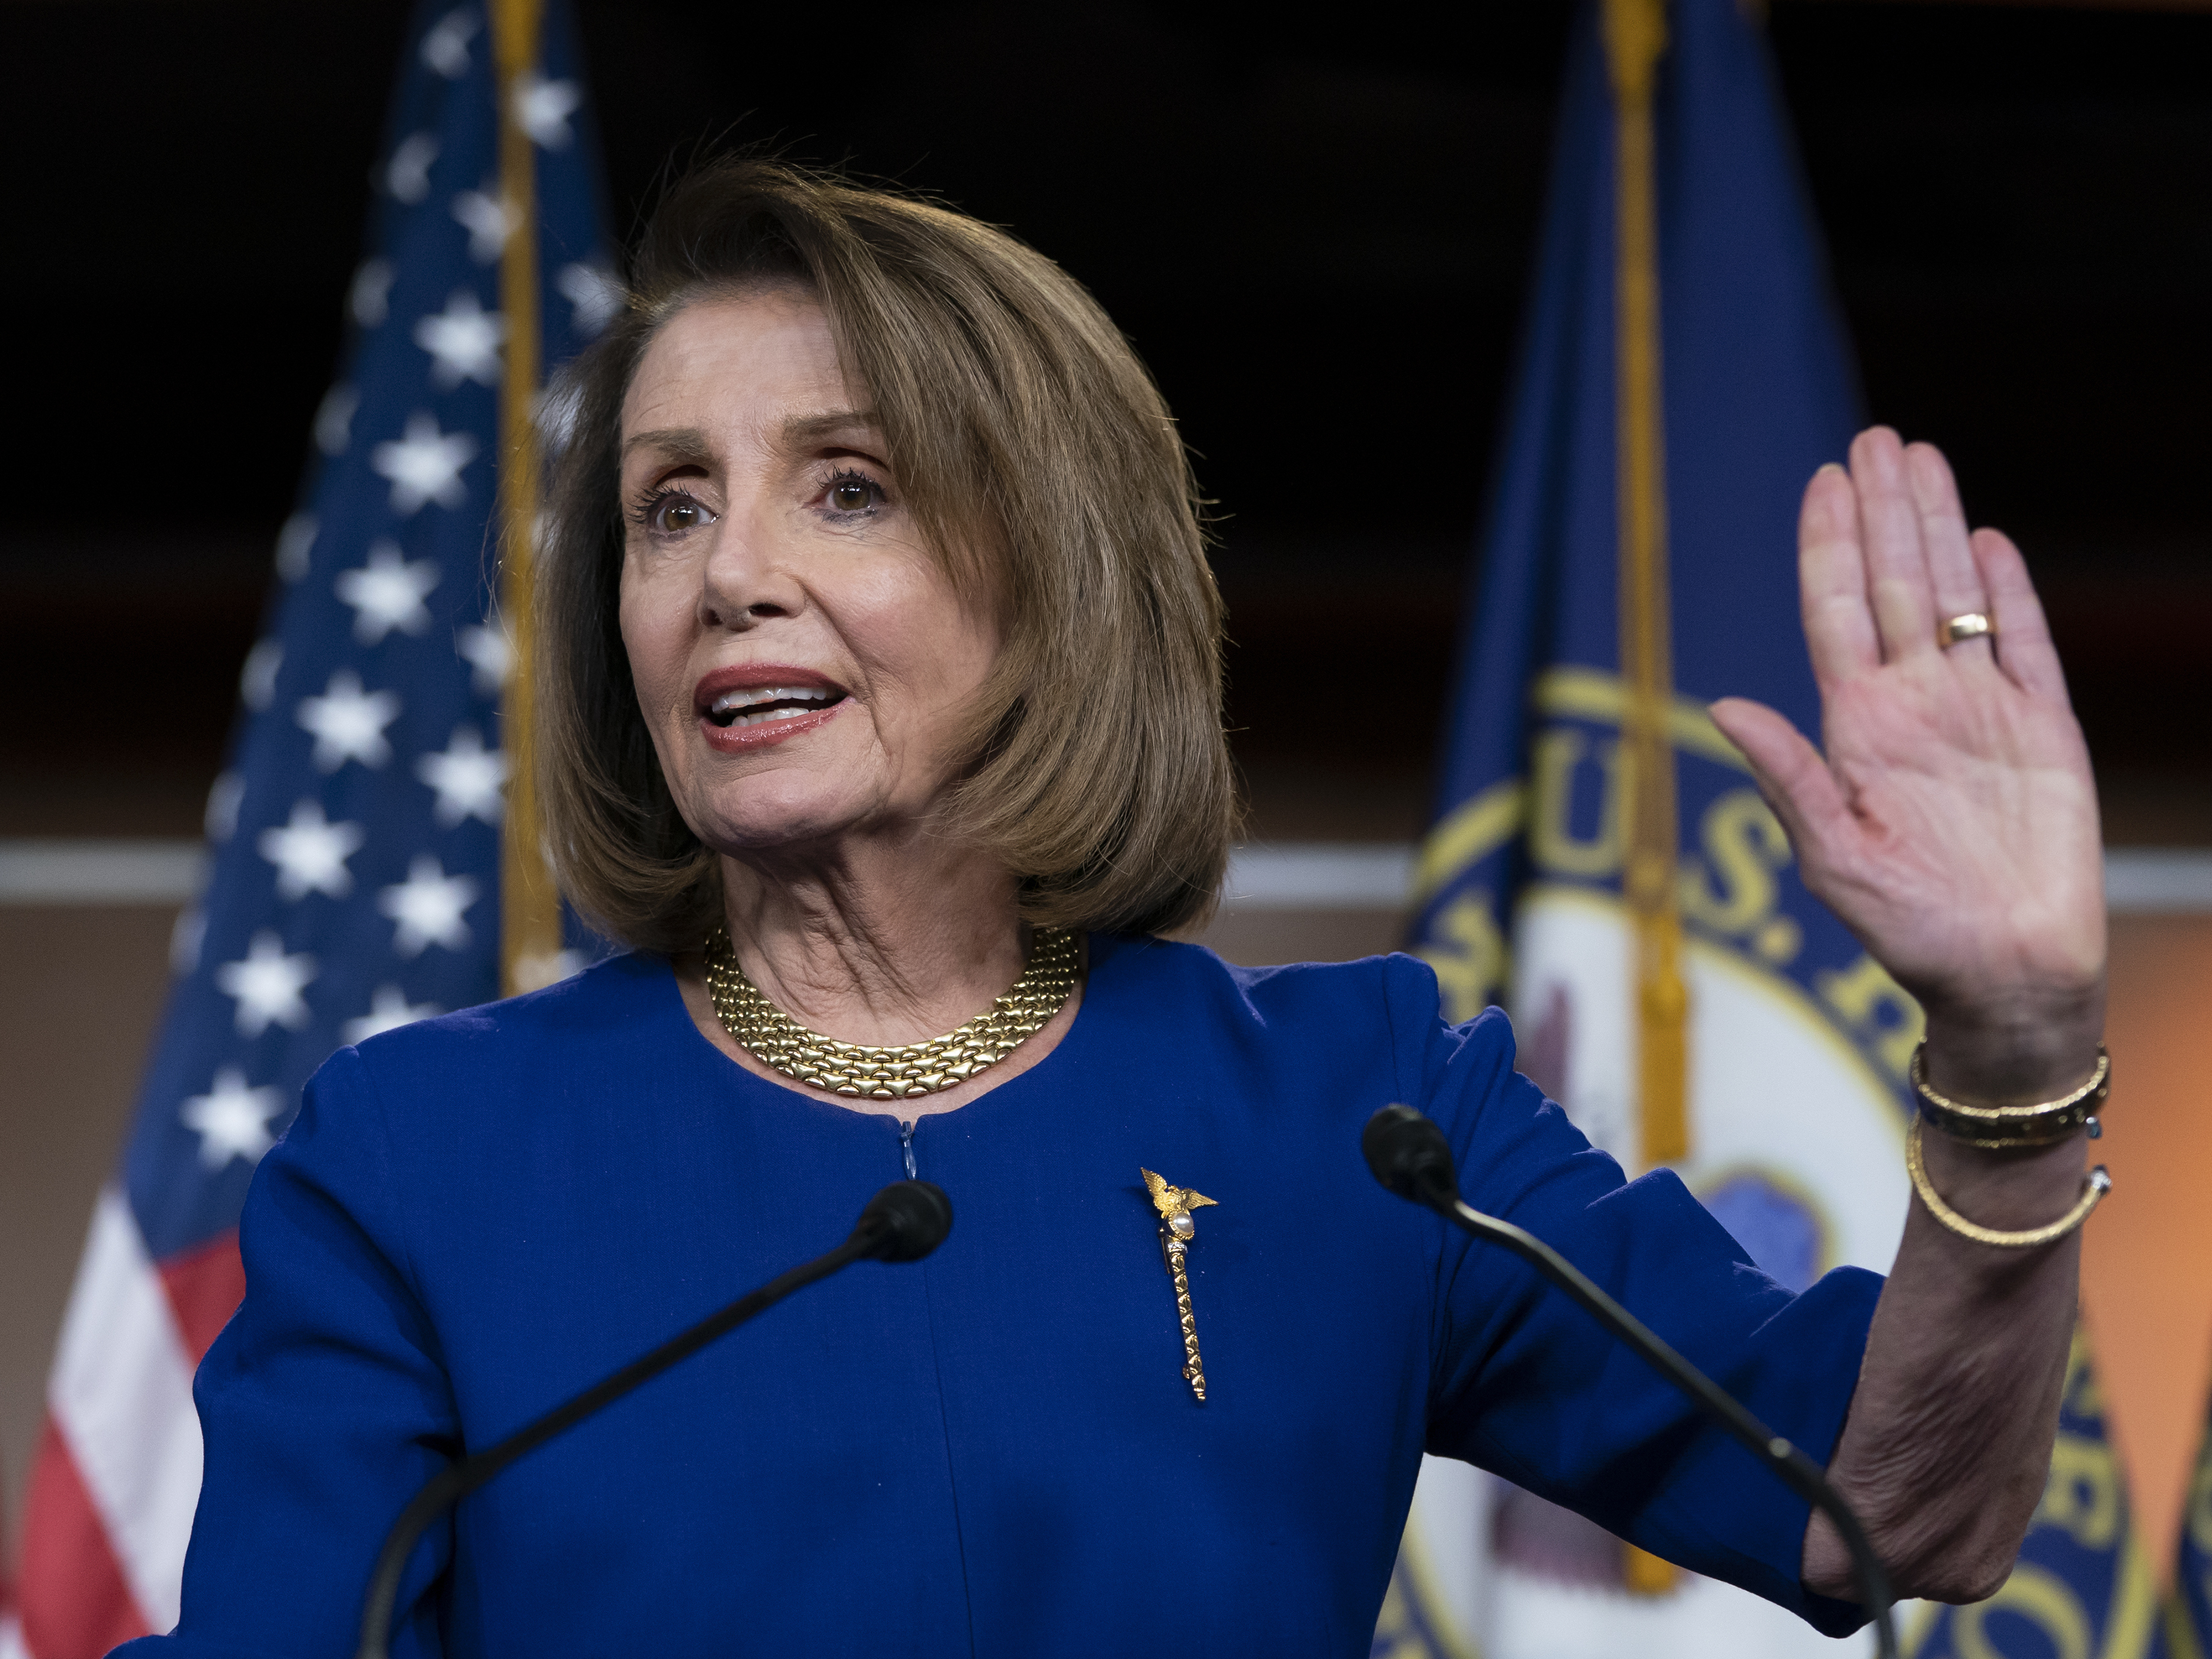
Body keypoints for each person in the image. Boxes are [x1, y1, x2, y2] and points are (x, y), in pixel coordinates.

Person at [123, 160, 2108, 1658]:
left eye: (846, 487)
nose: (728, 572)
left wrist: (2013, 1046)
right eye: (666, 506)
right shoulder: (423, 1156)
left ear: (1054, 580)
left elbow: (1886, 1504)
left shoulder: (1366, 1115)